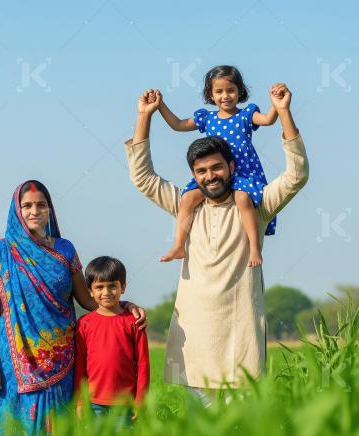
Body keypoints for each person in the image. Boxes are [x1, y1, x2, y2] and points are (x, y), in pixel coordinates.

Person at [124, 84, 308, 402]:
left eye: (217, 167)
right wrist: (144, 118)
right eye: (202, 171)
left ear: (232, 167)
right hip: (194, 341)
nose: (211, 176)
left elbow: (297, 175)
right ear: (194, 175)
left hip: (242, 340)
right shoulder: (187, 204)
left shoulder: (256, 205)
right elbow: (143, 177)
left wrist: (284, 112)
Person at [0, 180, 146, 434]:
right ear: (17, 211)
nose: (35, 211)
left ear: (50, 210)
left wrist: (124, 305)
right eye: (27, 206)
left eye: (41, 205)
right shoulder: (0, 254)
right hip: (16, 361)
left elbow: (87, 300)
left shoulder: (65, 250)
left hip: (62, 358)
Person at [156, 65, 282, 266]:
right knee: (188, 198)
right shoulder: (208, 118)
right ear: (210, 94)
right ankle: (179, 245)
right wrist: (160, 105)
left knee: (242, 199)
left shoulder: (246, 115)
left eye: (231, 90)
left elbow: (268, 120)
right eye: (219, 91)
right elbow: (178, 125)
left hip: (242, 173)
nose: (225, 96)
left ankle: (255, 249)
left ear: (240, 91)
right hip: (215, 174)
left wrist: (277, 104)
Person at [73, 256, 150, 426]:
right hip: (93, 405)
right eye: (99, 287)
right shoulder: (84, 324)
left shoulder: (134, 322)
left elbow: (143, 365)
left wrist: (141, 401)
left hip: (125, 405)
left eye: (112, 286)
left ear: (123, 287)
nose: (106, 293)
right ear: (90, 291)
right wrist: (79, 401)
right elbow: (79, 366)